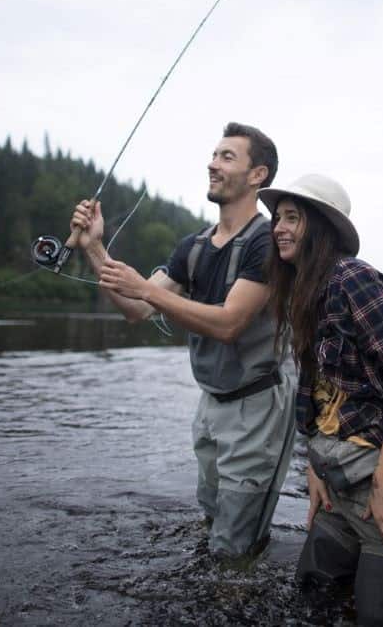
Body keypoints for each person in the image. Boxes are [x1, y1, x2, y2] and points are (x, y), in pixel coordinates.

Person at [70, 122, 295, 560]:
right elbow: (137, 309)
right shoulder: (192, 247)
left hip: (259, 406)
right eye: (213, 154)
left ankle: (237, 595)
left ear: (257, 175)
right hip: (211, 405)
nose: (212, 164)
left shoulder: (268, 243)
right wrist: (94, 249)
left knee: (234, 547)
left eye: (227, 156)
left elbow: (230, 324)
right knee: (213, 520)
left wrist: (147, 289)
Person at [258, 174, 383, 626]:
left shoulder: (355, 280)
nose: (279, 228)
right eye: (277, 218)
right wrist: (314, 466)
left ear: (322, 229)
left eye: (293, 218)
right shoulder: (304, 293)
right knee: (314, 595)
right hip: (343, 481)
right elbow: (316, 392)